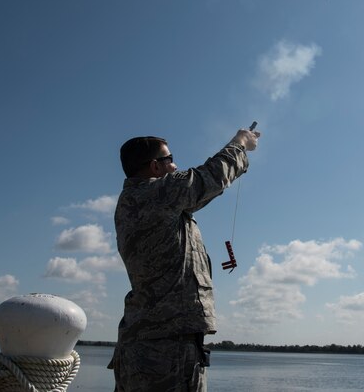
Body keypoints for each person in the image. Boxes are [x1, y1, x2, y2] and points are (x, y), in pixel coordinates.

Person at [108, 127, 260, 391]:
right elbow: (208, 177)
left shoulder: (135, 201)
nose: (175, 165)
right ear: (155, 167)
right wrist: (241, 143)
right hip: (167, 349)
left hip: (143, 344)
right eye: (170, 159)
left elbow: (193, 195)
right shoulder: (156, 193)